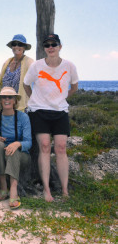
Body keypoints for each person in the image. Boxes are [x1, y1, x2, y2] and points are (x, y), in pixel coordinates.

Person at [23, 34, 78, 202]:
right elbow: (26, 84)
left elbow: (74, 86)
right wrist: (35, 100)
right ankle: (46, 189)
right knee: (45, 147)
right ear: (44, 48)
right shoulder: (36, 66)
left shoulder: (69, 66)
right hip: (39, 111)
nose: (50, 47)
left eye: (54, 44)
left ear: (60, 46)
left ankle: (64, 190)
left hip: (60, 112)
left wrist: (61, 98)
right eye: (47, 45)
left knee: (61, 148)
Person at [0, 87, 32, 209]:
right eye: (4, 97)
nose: (7, 100)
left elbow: (29, 142)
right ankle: (3, 186)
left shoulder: (23, 117)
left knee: (13, 151)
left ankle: (13, 188)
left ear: (15, 101)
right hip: (1, 154)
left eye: (10, 97)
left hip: (21, 156)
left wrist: (17, 144)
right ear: (0, 100)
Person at [0, 34, 34, 112]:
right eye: (14, 44)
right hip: (5, 106)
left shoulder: (29, 62)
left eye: (20, 44)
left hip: (22, 107)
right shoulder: (6, 63)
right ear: (12, 47)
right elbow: (0, 83)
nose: (17, 47)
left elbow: (36, 82)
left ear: (24, 47)